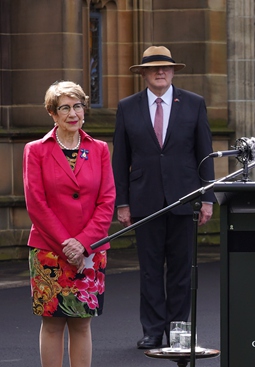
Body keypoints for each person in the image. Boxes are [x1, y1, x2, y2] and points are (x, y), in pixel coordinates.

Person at [112, 46, 216, 349]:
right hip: (144, 200)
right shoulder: (127, 106)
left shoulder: (194, 104)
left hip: (185, 199)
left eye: (166, 68)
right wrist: (123, 201)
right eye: (154, 68)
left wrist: (207, 197)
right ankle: (153, 331)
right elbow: (121, 159)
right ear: (143, 73)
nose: (161, 72)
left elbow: (204, 153)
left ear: (173, 71)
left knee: (182, 271)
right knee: (150, 270)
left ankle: (179, 331)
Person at [23, 81, 116, 367]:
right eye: (64, 107)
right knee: (52, 324)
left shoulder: (99, 149)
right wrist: (68, 245)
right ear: (52, 113)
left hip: (90, 251)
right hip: (49, 250)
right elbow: (36, 204)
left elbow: (107, 201)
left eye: (77, 106)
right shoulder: (35, 150)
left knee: (82, 324)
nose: (72, 113)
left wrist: (83, 243)